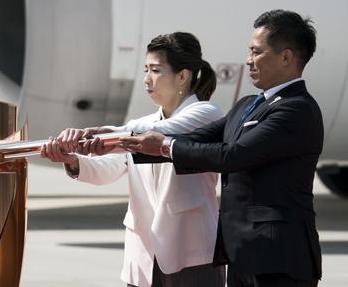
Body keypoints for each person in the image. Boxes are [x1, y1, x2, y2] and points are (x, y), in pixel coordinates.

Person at [121, 10, 323, 287]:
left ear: (286, 57)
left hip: (280, 256)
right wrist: (117, 142)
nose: (248, 60)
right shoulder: (248, 105)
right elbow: (196, 138)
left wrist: (165, 146)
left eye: (256, 52)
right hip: (241, 254)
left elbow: (234, 155)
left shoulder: (296, 109)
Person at [41, 32, 226, 287]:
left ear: (183, 76)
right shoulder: (142, 125)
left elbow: (159, 133)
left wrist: (96, 134)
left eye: (156, 70)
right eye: (146, 70)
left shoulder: (207, 113)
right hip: (142, 254)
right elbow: (108, 170)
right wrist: (72, 160)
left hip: (192, 251)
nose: (147, 79)